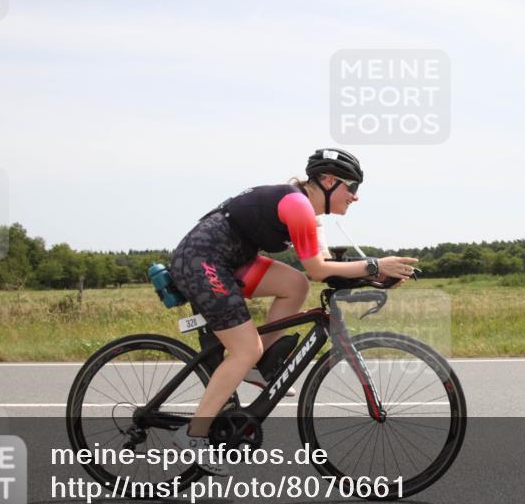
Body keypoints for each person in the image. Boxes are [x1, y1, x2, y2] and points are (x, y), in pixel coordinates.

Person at [168, 148, 418, 475]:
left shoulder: (310, 216)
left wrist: (375, 275)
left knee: (295, 285)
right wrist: (374, 264)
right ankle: (194, 434)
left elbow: (325, 269)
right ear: (328, 181)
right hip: (202, 260)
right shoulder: (297, 205)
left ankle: (254, 364)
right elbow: (318, 269)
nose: (355, 197)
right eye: (352, 187)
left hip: (231, 260)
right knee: (246, 347)